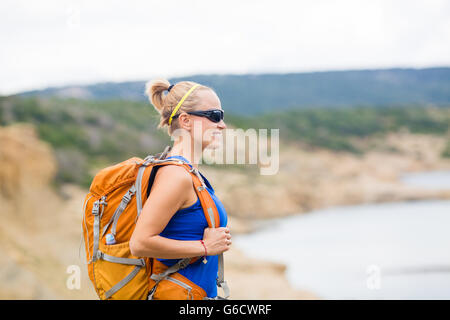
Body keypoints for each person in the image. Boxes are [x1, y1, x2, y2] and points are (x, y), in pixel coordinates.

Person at [129, 79, 231, 300]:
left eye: (221, 116)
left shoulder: (189, 173)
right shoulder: (176, 176)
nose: (222, 124)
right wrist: (204, 246)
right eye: (214, 116)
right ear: (185, 120)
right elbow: (140, 243)